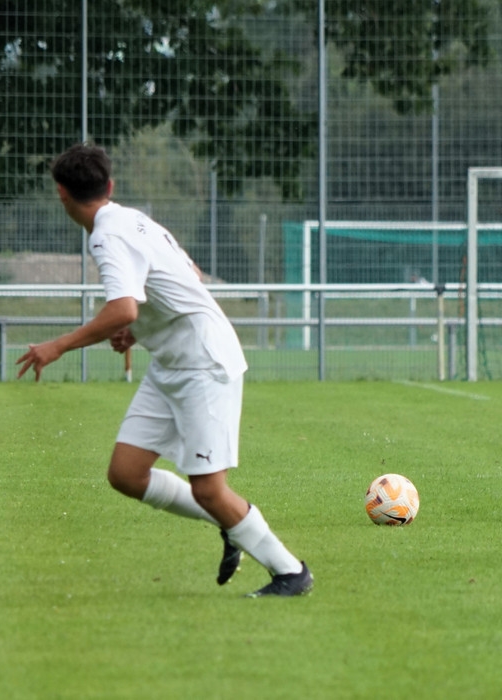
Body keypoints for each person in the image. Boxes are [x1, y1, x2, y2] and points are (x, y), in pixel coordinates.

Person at [16, 143, 312, 596]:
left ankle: (290, 572)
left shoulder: (106, 236)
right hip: (172, 362)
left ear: (61, 193)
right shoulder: (133, 219)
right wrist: (138, 331)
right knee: (126, 473)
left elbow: (124, 308)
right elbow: (187, 275)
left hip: (203, 362)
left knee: (210, 490)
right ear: (110, 185)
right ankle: (229, 522)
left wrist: (58, 345)